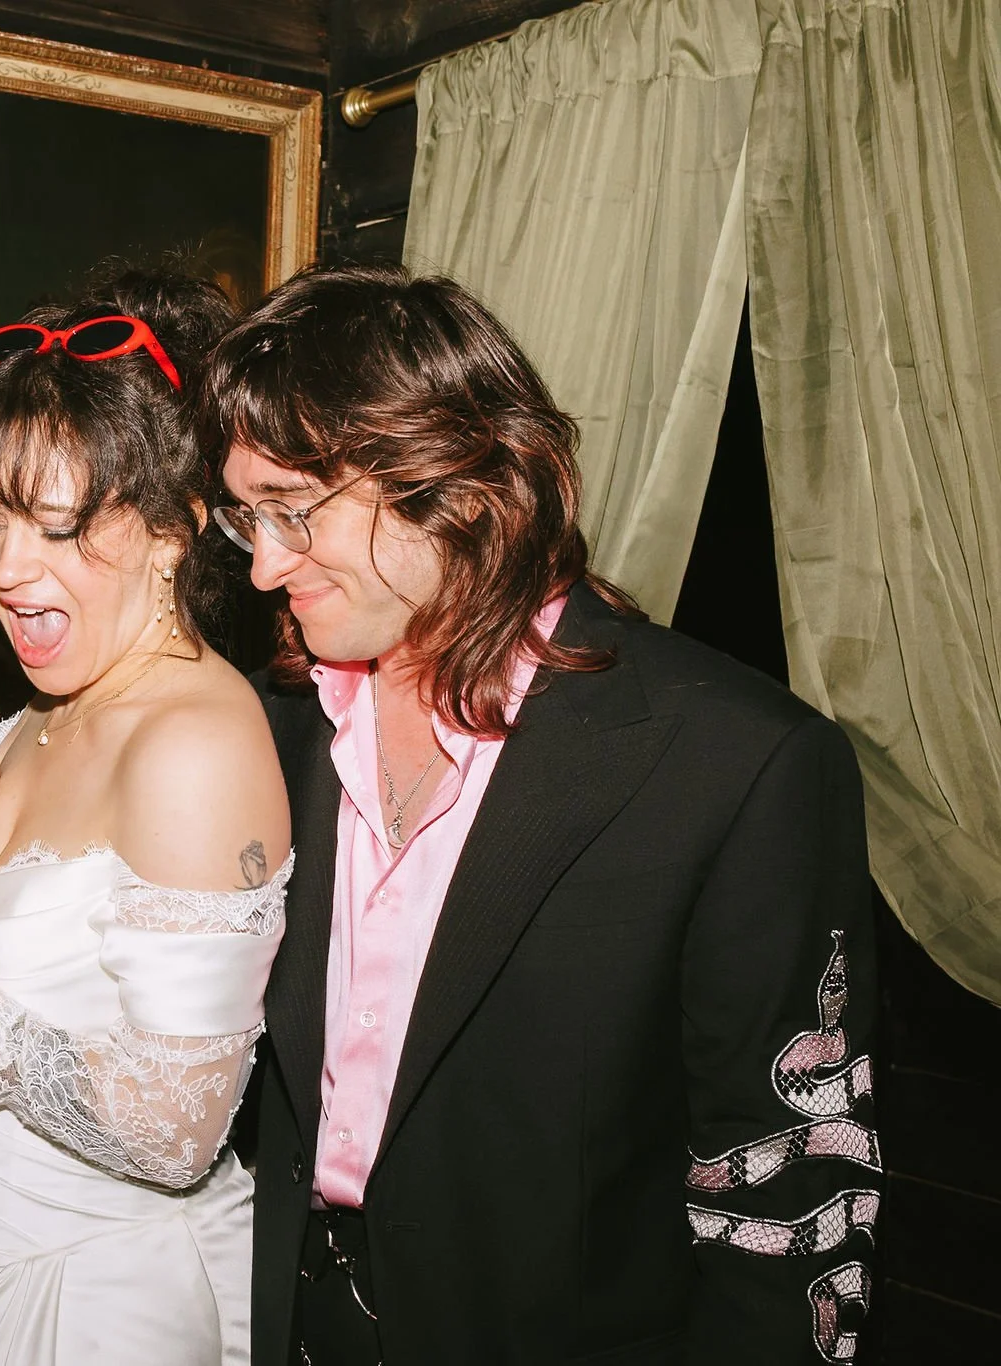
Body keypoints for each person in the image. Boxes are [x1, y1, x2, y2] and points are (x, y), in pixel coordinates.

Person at [202, 265, 880, 1366]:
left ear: (453, 478)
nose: (267, 564)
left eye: (292, 511)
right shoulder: (282, 722)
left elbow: (790, 1199)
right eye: (248, 519)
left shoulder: (736, 763)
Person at [0, 268, 294, 1365]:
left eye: (58, 524)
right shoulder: (45, 709)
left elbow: (169, 1134)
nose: (6, 567)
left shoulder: (196, 740)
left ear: (175, 531)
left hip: (99, 1300)